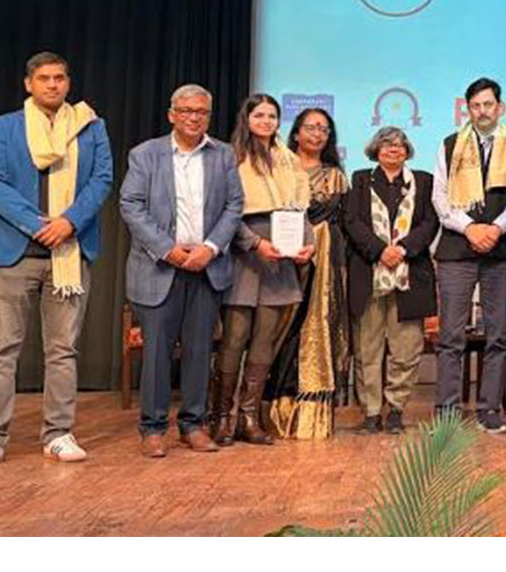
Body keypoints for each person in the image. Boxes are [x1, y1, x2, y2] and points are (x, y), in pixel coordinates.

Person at [0, 52, 113, 469]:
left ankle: (59, 433)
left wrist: (68, 222)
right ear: (28, 84)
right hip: (15, 252)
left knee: (63, 349)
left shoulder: (90, 125)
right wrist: (37, 224)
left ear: (68, 83)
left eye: (60, 78)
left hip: (69, 251)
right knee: (2, 349)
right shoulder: (5, 126)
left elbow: (101, 179)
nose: (53, 85)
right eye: (44, 78)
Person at [119, 84, 244, 457]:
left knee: (198, 349)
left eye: (201, 112)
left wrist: (209, 248)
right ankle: (153, 428)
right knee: (156, 351)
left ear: (209, 115)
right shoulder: (146, 155)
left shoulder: (223, 155)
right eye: (186, 111)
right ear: (172, 114)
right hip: (160, 267)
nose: (193, 117)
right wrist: (167, 250)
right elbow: (131, 205)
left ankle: (193, 424)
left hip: (206, 267)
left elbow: (234, 206)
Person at [215, 94, 313, 446]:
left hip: (281, 257)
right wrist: (254, 244)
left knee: (264, 341)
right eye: (259, 115)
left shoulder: (289, 160)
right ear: (247, 118)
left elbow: (301, 212)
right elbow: (224, 212)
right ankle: (222, 417)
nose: (266, 121)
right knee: (235, 338)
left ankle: (249, 418)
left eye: (272, 116)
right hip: (245, 253)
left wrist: (308, 244)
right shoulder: (229, 156)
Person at [432, 77, 506, 434]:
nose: (482, 111)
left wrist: (496, 228)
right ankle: (447, 412)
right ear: (467, 109)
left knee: (499, 335)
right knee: (450, 336)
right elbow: (440, 197)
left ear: (500, 108)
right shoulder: (449, 144)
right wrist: (470, 227)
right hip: (457, 249)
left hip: (503, 250)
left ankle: (490, 411)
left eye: (489, 105)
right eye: (475, 106)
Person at [343, 126, 439, 434]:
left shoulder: (423, 182)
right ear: (376, 150)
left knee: (406, 350)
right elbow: (352, 221)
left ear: (407, 150)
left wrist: (403, 249)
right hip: (369, 275)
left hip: (410, 275)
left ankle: (396, 410)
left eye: (398, 145)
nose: (393, 150)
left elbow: (430, 222)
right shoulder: (360, 180)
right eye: (386, 145)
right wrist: (380, 251)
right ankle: (371, 413)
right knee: (367, 349)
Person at [267, 107, 351, 439]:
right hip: (279, 261)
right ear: (297, 132)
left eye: (324, 129)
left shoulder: (336, 177)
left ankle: (310, 419)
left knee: (316, 332)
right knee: (279, 333)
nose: (317, 134)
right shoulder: (278, 168)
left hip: (325, 268)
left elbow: (342, 224)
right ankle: (271, 413)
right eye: (310, 127)